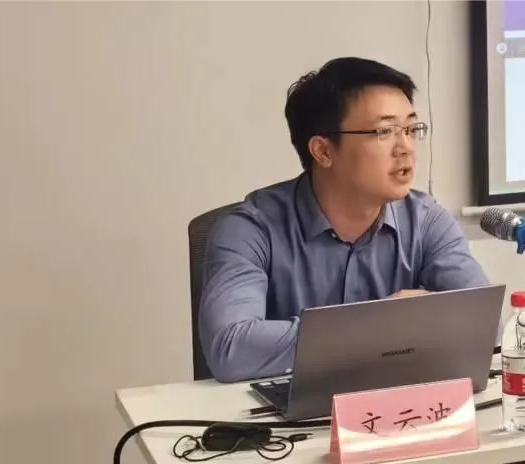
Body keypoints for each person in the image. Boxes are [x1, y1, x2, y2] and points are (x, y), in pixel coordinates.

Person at [199, 56, 489, 384]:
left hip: (394, 404)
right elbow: (231, 348)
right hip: (288, 411)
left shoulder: (426, 221)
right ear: (323, 151)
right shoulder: (250, 229)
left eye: (410, 130)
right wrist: (382, 325)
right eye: (384, 132)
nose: (405, 148)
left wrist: (355, 336)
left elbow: (483, 324)